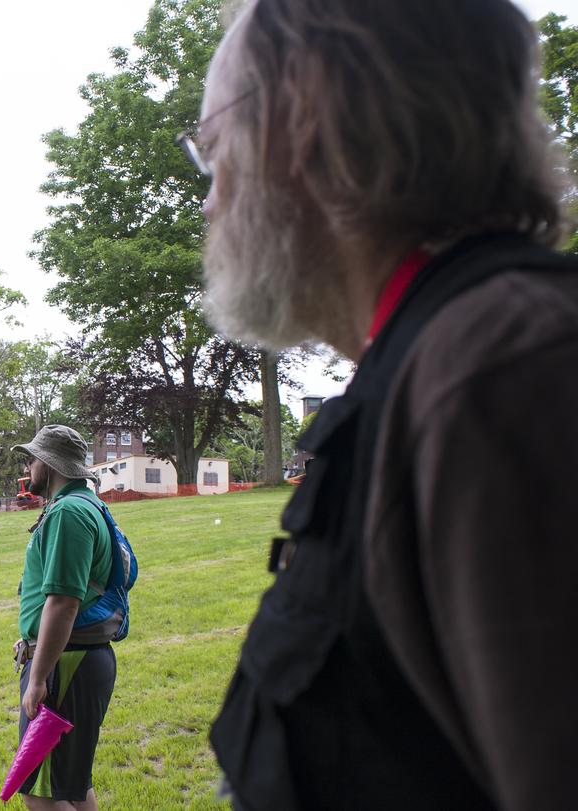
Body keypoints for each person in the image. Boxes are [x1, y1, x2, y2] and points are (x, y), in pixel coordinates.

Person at [183, 1, 578, 809]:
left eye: (213, 149)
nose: (209, 199)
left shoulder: (502, 375)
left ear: (304, 121)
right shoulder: (434, 365)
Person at [10, 425, 118, 810]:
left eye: (33, 457)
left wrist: (38, 677)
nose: (29, 465)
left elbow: (64, 603)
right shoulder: (84, 505)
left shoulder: (69, 512)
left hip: (66, 666)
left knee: (36, 789)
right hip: (74, 659)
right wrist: (32, 638)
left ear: (50, 464)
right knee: (71, 785)